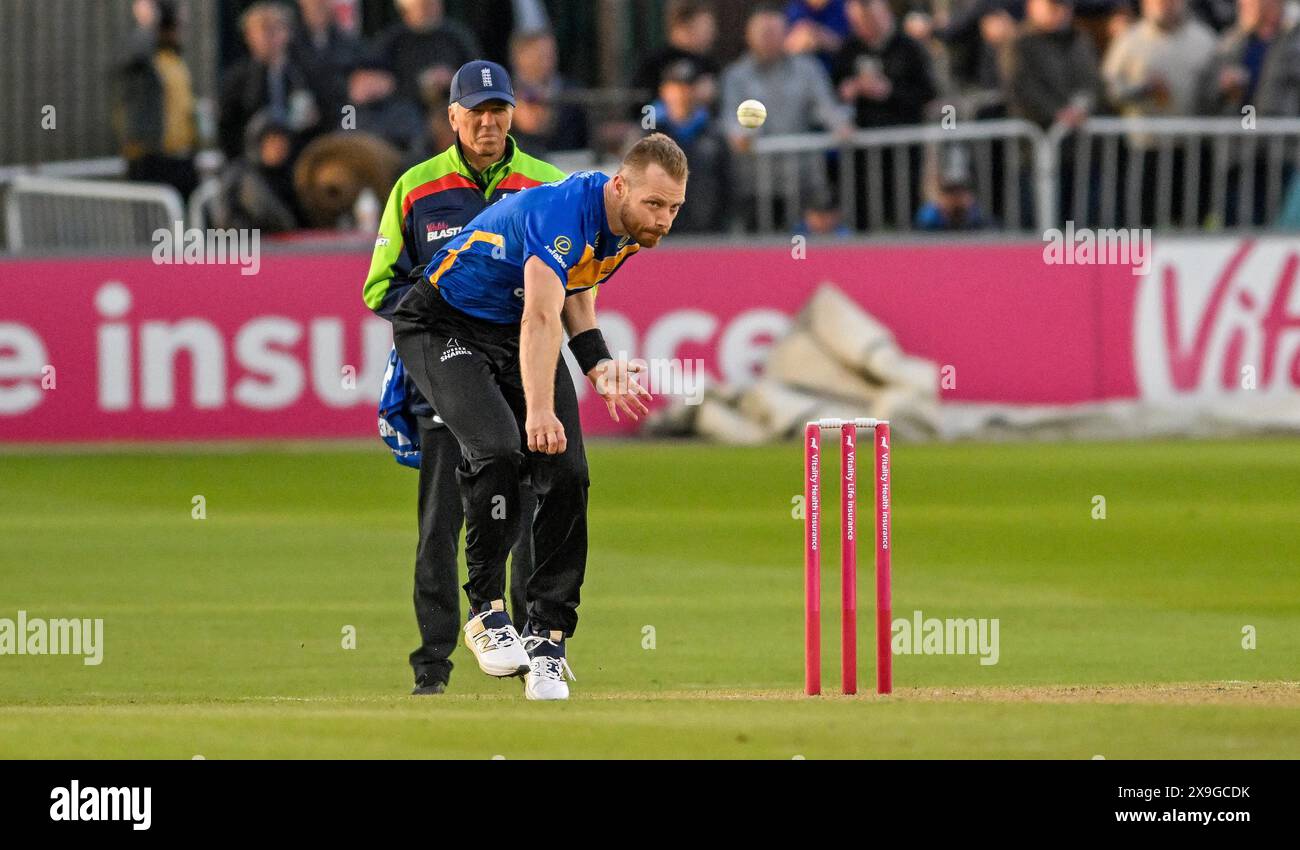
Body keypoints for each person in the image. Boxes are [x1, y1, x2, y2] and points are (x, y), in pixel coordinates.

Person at [390, 134, 689, 700]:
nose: (664, 219)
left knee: (569, 474)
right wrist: (541, 411)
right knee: (501, 449)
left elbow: (577, 290)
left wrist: (598, 365)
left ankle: (548, 639)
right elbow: (541, 316)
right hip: (443, 322)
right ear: (620, 185)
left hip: (510, 328)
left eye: (674, 207)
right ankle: (485, 611)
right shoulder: (562, 211)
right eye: (655, 204)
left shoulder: (627, 229)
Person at [363, 61, 566, 696]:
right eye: (475, 110)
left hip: (522, 368)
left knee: (531, 510)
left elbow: (577, 277)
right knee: (439, 523)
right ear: (452, 116)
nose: (487, 121)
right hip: (447, 373)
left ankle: (536, 648)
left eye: (498, 109)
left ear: (514, 113)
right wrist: (441, 322)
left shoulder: (545, 184)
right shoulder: (416, 189)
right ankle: (432, 669)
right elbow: (380, 287)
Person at [721, 4, 852, 231]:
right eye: (763, 33)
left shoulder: (807, 68)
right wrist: (739, 134)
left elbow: (824, 105)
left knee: (807, 252)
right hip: (758, 183)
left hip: (804, 179)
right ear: (749, 36)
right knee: (761, 252)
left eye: (775, 32)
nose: (769, 39)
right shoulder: (736, 76)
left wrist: (841, 125)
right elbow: (731, 117)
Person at [218, 2, 324, 160]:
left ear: (288, 33)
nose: (269, 38)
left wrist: (316, 120)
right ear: (248, 36)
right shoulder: (237, 79)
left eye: (275, 29)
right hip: (252, 162)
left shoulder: (306, 74)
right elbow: (226, 126)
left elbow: (336, 111)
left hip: (298, 158)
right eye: (262, 30)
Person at [115, 0, 199, 199]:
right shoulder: (141, 61)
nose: (183, 30)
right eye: (179, 24)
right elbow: (132, 54)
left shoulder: (175, 61)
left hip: (182, 159)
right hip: (150, 160)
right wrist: (149, 22)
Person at [371, 0, 482, 111]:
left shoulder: (457, 36)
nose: (433, 10)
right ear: (406, 12)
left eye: (435, 4)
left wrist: (453, 78)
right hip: (405, 110)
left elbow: (478, 74)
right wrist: (422, 83)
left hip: (453, 106)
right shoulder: (391, 41)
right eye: (425, 6)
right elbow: (380, 83)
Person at [630, 0, 722, 116]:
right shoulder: (655, 62)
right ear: (684, 25)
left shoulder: (710, 64)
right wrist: (687, 96)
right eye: (706, 26)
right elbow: (639, 109)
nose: (713, 33)